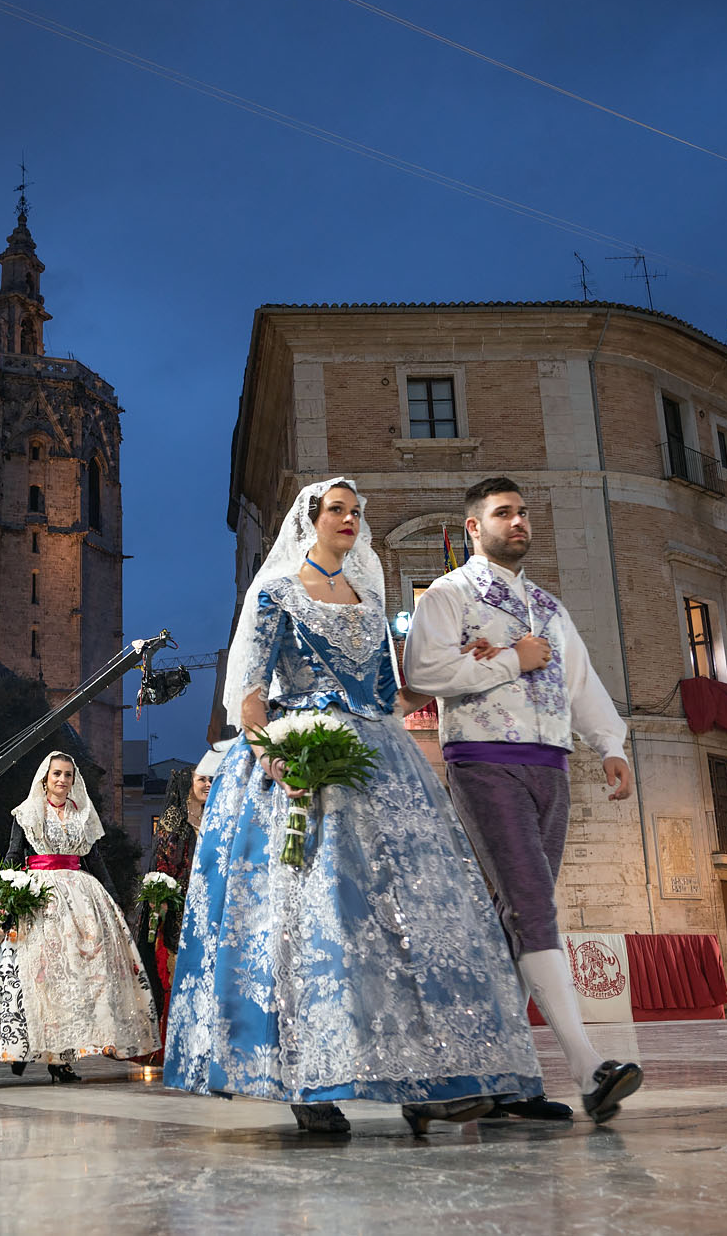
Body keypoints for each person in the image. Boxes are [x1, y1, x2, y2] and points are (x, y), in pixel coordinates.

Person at [164, 478, 545, 1137]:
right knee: (316, 924)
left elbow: (387, 692)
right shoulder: (275, 592)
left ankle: (431, 1077)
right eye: (336, 508)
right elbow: (249, 695)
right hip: (300, 756)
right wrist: (276, 759)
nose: (349, 517)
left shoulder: (371, 597)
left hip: (378, 760)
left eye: (355, 510)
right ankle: (308, 1078)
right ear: (310, 520)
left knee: (413, 918)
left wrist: (477, 665)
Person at [403, 475, 643, 1124]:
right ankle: (590, 1067)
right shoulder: (448, 596)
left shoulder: (548, 606)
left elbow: (583, 681)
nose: (519, 521)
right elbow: (421, 674)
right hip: (484, 761)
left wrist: (611, 744)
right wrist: (512, 657)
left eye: (524, 511)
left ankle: (498, 1078)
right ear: (474, 527)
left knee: (507, 920)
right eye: (503, 512)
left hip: (551, 767)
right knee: (533, 906)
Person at [0, 752, 160, 1080]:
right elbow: (15, 854)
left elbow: (94, 861)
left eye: (68, 775)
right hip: (38, 898)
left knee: (76, 979)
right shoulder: (27, 813)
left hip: (79, 898)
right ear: (45, 777)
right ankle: (27, 1045)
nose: (62, 780)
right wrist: (9, 896)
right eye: (57, 774)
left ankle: (61, 1059)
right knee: (33, 977)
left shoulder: (82, 814)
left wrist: (113, 898)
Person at [135, 742, 228, 1052]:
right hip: (181, 909)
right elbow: (163, 861)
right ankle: (179, 1042)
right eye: (202, 778)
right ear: (191, 782)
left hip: (218, 903)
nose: (207, 784)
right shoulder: (175, 820)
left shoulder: (224, 815)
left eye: (212, 779)